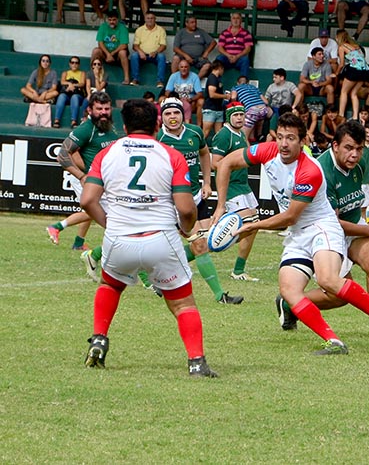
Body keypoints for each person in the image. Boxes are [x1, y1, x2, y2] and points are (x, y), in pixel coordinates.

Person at [213, 113, 369, 354]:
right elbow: (226, 163)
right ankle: (333, 342)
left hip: (322, 227)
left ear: (302, 141)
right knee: (289, 289)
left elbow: (290, 215)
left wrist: (254, 224)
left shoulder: (309, 170)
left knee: (328, 280)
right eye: (280, 137)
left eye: (291, 138)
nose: (283, 143)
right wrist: (221, 206)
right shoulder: (267, 151)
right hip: (298, 233)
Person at [80, 98, 218, 377]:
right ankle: (196, 362)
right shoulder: (170, 155)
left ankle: (99, 338)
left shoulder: (107, 153)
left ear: (124, 124)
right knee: (182, 303)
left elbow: (87, 200)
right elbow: (186, 207)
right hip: (161, 238)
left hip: (119, 239)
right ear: (157, 123)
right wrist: (185, 228)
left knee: (110, 285)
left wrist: (111, 224)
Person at [277, 121, 369, 338]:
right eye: (349, 148)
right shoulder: (322, 171)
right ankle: (290, 302)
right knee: (340, 294)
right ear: (335, 146)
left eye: (359, 149)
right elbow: (332, 222)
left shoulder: (361, 164)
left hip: (351, 226)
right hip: (324, 230)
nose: (355, 154)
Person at [157, 98, 243, 305]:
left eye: (175, 113)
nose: (172, 117)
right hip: (176, 202)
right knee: (201, 245)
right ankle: (219, 295)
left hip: (197, 196)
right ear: (162, 117)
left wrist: (207, 183)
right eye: (168, 114)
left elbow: (205, 154)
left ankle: (159, 279)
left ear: (182, 114)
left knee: (206, 244)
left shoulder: (195, 133)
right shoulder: (159, 141)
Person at [48, 92, 120, 252]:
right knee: (104, 214)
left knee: (94, 211)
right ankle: (58, 227)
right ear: (89, 110)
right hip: (90, 179)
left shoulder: (108, 126)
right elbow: (63, 154)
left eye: (107, 108)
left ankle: (79, 242)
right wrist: (82, 175)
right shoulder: (86, 129)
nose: (103, 112)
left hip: (105, 180)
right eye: (99, 108)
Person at [210, 102, 260, 282]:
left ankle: (238, 271)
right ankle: (207, 245)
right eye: (236, 115)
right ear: (228, 116)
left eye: (242, 115)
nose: (240, 118)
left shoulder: (241, 134)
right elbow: (215, 163)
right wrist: (231, 167)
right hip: (231, 187)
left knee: (254, 227)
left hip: (243, 185)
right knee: (248, 224)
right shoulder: (224, 135)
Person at [335, 30, 369, 120]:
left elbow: (341, 64)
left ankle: (341, 115)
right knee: (354, 93)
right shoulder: (357, 46)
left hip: (354, 70)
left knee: (344, 92)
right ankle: (355, 117)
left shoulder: (342, 47)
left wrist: (336, 73)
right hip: (364, 70)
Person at [171, 15, 216, 80]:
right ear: (186, 23)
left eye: (195, 22)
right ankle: (174, 80)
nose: (194, 24)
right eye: (192, 22)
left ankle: (194, 81)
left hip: (199, 58)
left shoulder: (201, 32)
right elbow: (175, 48)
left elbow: (213, 42)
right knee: (175, 58)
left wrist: (206, 52)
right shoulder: (181, 32)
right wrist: (186, 56)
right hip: (184, 57)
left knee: (207, 66)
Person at [92, 10, 130, 86]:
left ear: (117, 20)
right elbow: (100, 43)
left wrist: (112, 54)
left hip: (117, 55)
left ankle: (126, 78)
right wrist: (108, 54)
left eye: (114, 20)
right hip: (106, 53)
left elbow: (124, 45)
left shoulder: (122, 28)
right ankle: (93, 76)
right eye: (109, 20)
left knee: (123, 52)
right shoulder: (103, 27)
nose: (111, 22)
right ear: (107, 20)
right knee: (95, 51)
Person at [229, 76, 273, 142]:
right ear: (248, 82)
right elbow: (266, 102)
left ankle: (248, 149)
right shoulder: (254, 87)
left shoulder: (236, 88)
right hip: (263, 109)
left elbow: (233, 97)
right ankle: (259, 135)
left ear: (238, 83)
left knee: (244, 137)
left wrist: (234, 106)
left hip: (252, 111)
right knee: (260, 117)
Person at [129, 11, 167, 87]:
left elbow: (163, 46)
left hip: (154, 55)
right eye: (148, 18)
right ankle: (135, 79)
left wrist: (155, 52)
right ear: (145, 19)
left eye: (152, 18)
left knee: (162, 57)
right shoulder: (139, 30)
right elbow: (135, 45)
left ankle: (160, 81)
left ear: (155, 19)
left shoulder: (160, 30)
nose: (150, 20)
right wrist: (140, 52)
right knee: (134, 56)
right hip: (142, 55)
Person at [165, 59, 204, 126]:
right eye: (182, 67)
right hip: (177, 101)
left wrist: (191, 99)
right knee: (162, 99)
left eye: (186, 67)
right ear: (178, 68)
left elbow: (199, 93)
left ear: (189, 68)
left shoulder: (194, 76)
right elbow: (167, 92)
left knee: (201, 101)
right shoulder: (173, 76)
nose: (184, 69)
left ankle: (199, 126)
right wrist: (177, 99)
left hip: (191, 102)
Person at [53, 56, 88, 129]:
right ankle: (57, 120)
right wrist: (69, 84)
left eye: (76, 63)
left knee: (74, 97)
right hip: (67, 93)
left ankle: (74, 121)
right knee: (61, 96)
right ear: (70, 64)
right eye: (72, 62)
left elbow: (82, 83)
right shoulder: (65, 73)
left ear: (79, 64)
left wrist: (73, 85)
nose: (74, 64)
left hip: (78, 94)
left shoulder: (82, 73)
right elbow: (62, 82)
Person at [216, 12, 253, 78]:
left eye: (238, 18)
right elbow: (220, 47)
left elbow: (248, 48)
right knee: (219, 59)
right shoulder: (224, 33)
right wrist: (229, 56)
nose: (235, 20)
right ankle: (216, 81)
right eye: (234, 18)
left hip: (239, 59)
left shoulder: (246, 33)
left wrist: (237, 56)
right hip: (227, 58)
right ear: (231, 20)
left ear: (241, 20)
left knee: (245, 60)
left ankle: (243, 83)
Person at [202, 60, 229, 138]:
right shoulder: (212, 78)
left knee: (219, 134)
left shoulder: (217, 79)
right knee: (205, 132)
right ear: (220, 68)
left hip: (218, 109)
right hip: (210, 109)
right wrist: (225, 96)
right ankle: (198, 148)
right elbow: (212, 94)